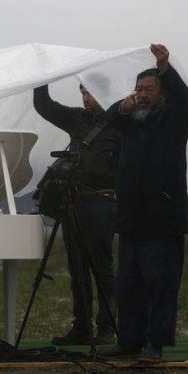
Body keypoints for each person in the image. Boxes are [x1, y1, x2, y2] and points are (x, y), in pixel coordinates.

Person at [100, 44, 188, 363]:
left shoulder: (173, 118)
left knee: (160, 286)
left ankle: (156, 344)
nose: (142, 94)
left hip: (161, 220)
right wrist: (122, 105)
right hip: (131, 221)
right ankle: (129, 341)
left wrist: (165, 65)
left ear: (162, 93)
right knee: (128, 287)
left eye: (149, 89)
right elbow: (111, 117)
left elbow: (185, 100)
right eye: (138, 89)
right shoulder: (133, 121)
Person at [33, 79, 122, 345]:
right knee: (77, 269)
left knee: (101, 268)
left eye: (90, 93)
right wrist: (41, 79)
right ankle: (82, 327)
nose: (85, 98)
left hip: (101, 203)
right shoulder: (76, 119)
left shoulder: (120, 123)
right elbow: (44, 106)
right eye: (82, 92)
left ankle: (106, 328)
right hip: (73, 202)